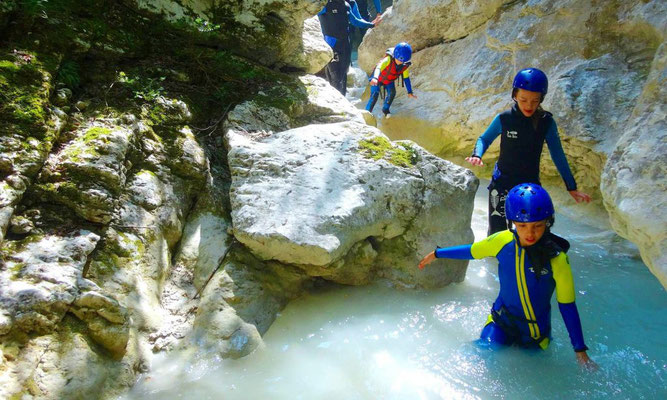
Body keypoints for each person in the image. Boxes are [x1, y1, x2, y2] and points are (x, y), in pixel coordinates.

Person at [418, 183, 597, 368]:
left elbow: (567, 306)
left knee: (535, 372)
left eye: (538, 225)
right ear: (512, 223)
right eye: (522, 225)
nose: (530, 233)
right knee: (478, 355)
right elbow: (472, 251)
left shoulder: (557, 260)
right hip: (500, 322)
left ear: (548, 223)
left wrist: (580, 350)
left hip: (535, 333)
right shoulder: (502, 241)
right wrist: (437, 254)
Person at [465, 68, 591, 235]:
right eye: (523, 100)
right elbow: (484, 139)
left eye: (535, 100)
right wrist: (477, 155)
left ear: (541, 99)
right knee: (497, 235)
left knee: (533, 235)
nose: (529, 105)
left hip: (530, 187)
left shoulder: (546, 122)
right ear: (515, 95)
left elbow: (558, 155)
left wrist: (571, 187)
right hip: (502, 184)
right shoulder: (505, 118)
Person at [318, 0, 378, 95]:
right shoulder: (325, 5)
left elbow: (355, 21)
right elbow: (311, 11)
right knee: (335, 76)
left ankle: (343, 101)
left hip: (345, 43)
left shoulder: (346, 5)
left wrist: (371, 24)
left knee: (344, 74)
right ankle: (335, 103)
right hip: (332, 46)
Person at [365, 42, 417, 118]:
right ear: (395, 55)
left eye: (403, 61)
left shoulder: (404, 64)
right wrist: (375, 78)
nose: (401, 63)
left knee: (392, 92)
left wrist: (409, 92)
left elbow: (406, 78)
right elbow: (378, 67)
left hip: (389, 80)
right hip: (378, 78)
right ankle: (367, 113)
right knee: (374, 94)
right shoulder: (388, 59)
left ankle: (385, 109)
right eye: (399, 60)